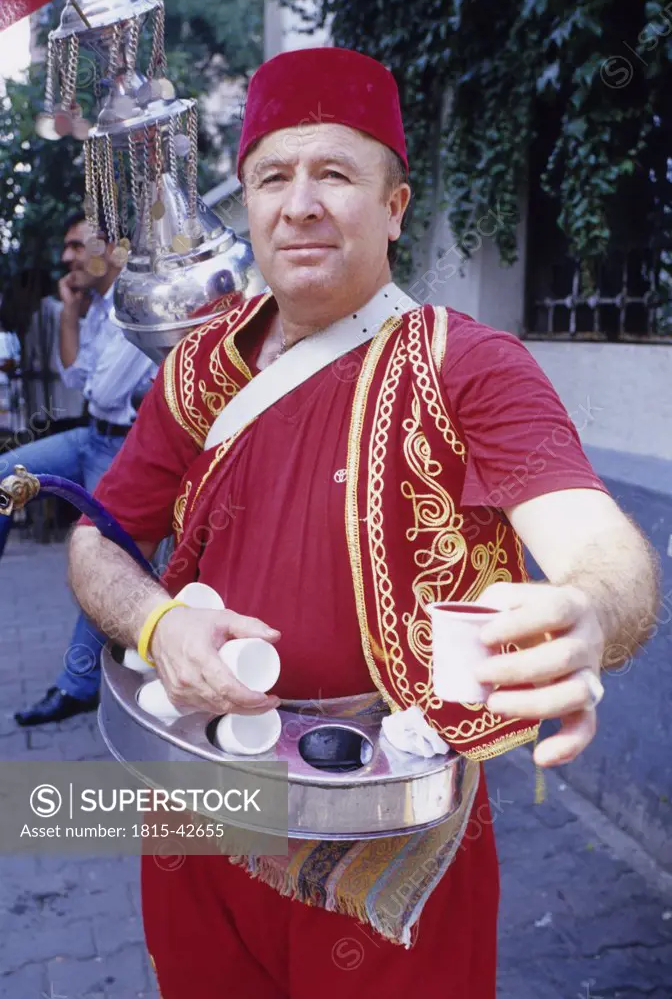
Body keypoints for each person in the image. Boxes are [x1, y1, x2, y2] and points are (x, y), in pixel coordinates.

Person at [67, 48, 659, 998]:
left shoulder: (468, 365)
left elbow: (596, 539)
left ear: (394, 206)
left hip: (391, 844)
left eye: (335, 174)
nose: (299, 204)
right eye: (273, 177)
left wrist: (593, 611)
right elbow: (100, 538)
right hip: (202, 813)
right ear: (249, 205)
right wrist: (157, 622)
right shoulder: (199, 367)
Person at [7, 211, 156, 726]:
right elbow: (76, 374)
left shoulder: (138, 300)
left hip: (123, 449)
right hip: (91, 432)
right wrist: (70, 313)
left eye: (78, 246)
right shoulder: (95, 307)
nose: (67, 257)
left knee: (104, 556)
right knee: (5, 475)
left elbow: (106, 388)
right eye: (66, 247)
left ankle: (77, 685)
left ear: (114, 249)